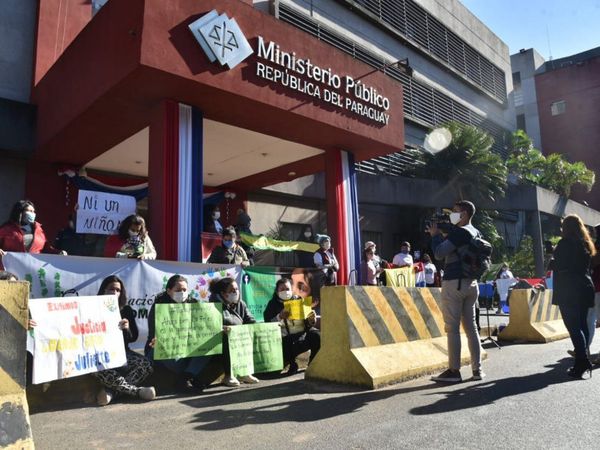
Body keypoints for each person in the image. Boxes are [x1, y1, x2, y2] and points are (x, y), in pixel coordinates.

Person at [428, 200, 483, 383]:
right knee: (471, 328)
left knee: (452, 328)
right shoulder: (476, 232)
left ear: (465, 213)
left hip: (454, 283)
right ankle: (477, 370)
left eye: (456, 211)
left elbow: (439, 253)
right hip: (471, 284)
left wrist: (435, 235)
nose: (452, 214)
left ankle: (454, 371)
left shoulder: (460, 232)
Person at [94, 275, 155, 406]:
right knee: (95, 367)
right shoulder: (92, 309)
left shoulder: (125, 310)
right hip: (98, 355)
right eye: (111, 289)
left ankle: (112, 393)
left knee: (145, 364)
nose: (115, 292)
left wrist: (126, 329)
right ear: (103, 290)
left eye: (118, 290)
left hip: (121, 353)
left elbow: (134, 337)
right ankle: (137, 392)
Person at [145, 275, 209, 391]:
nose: (182, 293)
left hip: (186, 347)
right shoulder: (159, 307)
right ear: (169, 291)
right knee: (169, 355)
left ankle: (186, 377)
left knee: (209, 347)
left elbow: (203, 327)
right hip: (164, 349)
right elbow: (153, 335)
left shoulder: (194, 304)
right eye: (178, 290)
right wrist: (156, 340)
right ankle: (189, 376)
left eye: (184, 290)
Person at [551, 214, 596, 378]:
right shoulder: (585, 244)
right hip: (585, 286)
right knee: (582, 325)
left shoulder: (564, 244)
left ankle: (582, 360)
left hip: (569, 289)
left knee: (573, 327)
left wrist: (553, 259)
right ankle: (583, 360)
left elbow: (559, 266)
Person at [208, 277, 258, 387]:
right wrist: (222, 328)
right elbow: (210, 327)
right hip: (220, 340)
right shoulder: (213, 306)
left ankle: (245, 372)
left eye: (237, 289)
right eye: (232, 290)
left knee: (250, 335)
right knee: (227, 339)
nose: (236, 292)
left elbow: (251, 320)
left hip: (240, 337)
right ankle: (228, 375)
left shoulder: (241, 304)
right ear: (223, 293)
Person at [263, 278, 320, 374]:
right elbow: (268, 323)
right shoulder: (272, 304)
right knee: (287, 344)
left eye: (287, 289)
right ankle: (292, 364)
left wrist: (311, 320)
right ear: (277, 292)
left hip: (302, 335)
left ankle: (313, 364)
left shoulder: (299, 300)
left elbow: (308, 322)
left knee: (317, 336)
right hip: (284, 339)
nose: (285, 291)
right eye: (282, 289)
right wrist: (279, 317)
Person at [0, 200, 66, 268]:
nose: (33, 213)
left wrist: (58, 253)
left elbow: (46, 248)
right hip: (11, 268)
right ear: (20, 212)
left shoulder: (39, 229)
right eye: (29, 211)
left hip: (33, 269)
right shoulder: (7, 229)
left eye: (33, 211)